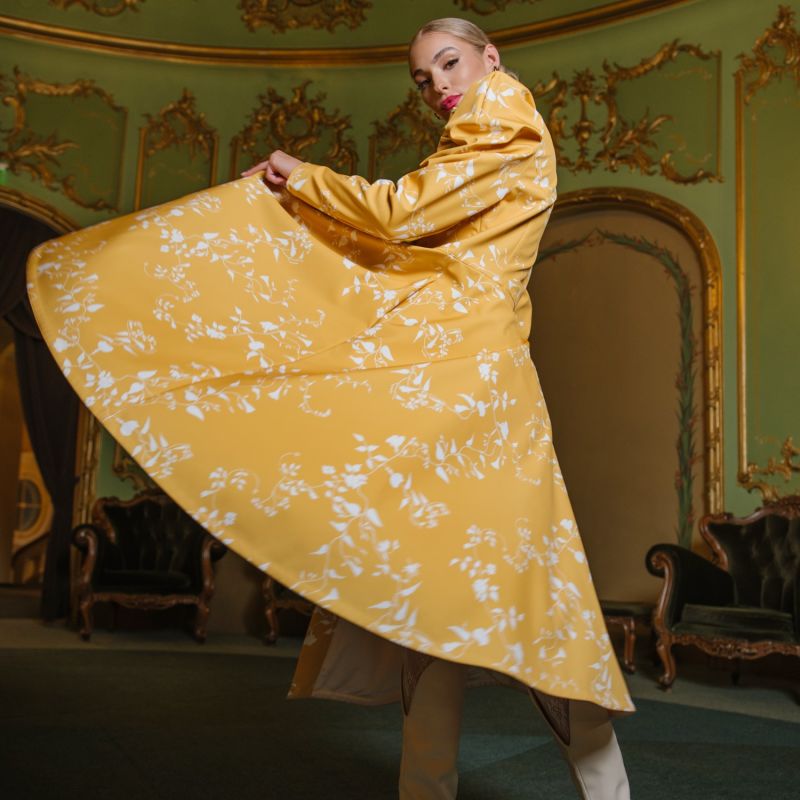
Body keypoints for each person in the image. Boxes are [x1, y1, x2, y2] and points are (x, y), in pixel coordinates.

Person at [28, 16, 633, 799]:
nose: (439, 87)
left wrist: (298, 176)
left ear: (491, 57)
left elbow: (403, 213)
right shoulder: (484, 133)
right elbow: (420, 240)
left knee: (519, 609)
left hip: (464, 386)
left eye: (449, 64)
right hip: (452, 380)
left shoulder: (503, 116)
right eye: (423, 79)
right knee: (439, 605)